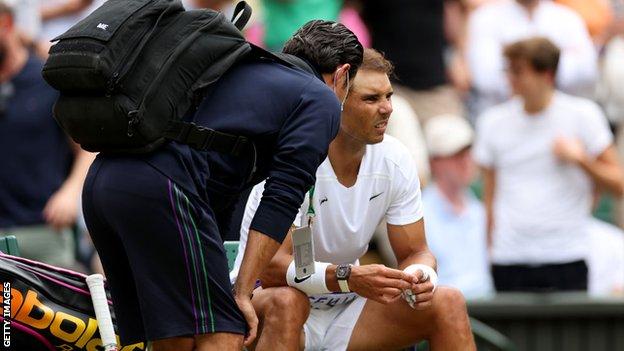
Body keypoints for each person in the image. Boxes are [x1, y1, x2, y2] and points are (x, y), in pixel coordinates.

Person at [81, 20, 363, 351]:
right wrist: (243, 291)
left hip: (104, 183)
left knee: (177, 337)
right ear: (342, 75)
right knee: (226, 330)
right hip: (164, 189)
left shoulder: (244, 64)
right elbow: (281, 199)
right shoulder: (321, 99)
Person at [232, 48, 475, 351]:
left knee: (448, 301)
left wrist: (419, 277)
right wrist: (346, 277)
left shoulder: (396, 159)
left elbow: (417, 252)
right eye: (371, 99)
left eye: (388, 96)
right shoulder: (294, 156)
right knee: (287, 302)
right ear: (336, 102)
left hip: (349, 307)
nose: (386, 109)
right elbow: (270, 269)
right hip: (270, 300)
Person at [474, 37, 624, 292]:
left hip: (566, 255)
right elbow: (490, 196)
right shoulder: (492, 122)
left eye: (518, 71)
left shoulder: (583, 115)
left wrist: (581, 160)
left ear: (547, 74)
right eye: (508, 70)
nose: (510, 78)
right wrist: (489, 251)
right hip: (508, 258)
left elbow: (619, 184)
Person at [0, 1, 94, 268]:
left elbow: (87, 146)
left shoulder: (47, 82)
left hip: (44, 230)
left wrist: (71, 190)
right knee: (5, 310)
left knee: (53, 306)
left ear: (6, 25)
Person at [467, 0, 597, 117]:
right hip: (504, 116)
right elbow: (485, 77)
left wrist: (520, 66)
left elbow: (587, 70)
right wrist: (556, 59)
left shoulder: (567, 18)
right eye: (516, 69)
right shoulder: (485, 18)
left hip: (561, 118)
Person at [423, 114, 494, 299]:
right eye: (456, 155)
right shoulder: (417, 213)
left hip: (490, 310)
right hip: (441, 313)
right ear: (434, 162)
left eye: (468, 153)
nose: (466, 161)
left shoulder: (479, 210)